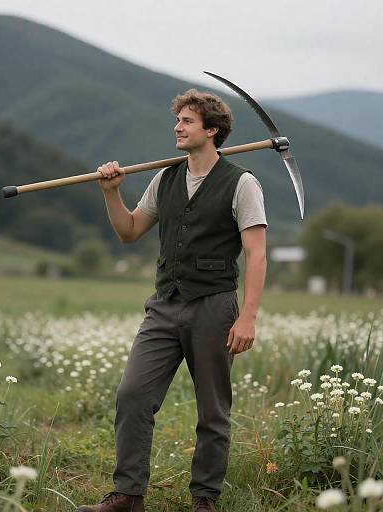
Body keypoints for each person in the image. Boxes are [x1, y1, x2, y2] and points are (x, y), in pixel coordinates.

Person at [76, 89, 267, 512]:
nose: (177, 127)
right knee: (132, 396)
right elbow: (128, 232)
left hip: (214, 307)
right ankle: (127, 496)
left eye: (187, 121)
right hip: (164, 304)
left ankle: (205, 500)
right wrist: (111, 191)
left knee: (212, 411)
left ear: (212, 131)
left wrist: (248, 317)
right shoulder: (164, 179)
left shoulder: (242, 183)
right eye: (177, 120)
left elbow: (257, 254)